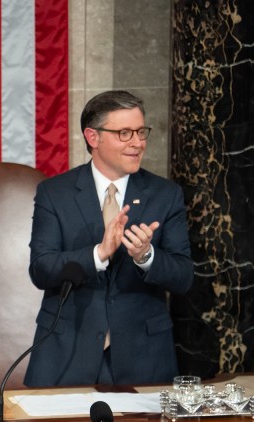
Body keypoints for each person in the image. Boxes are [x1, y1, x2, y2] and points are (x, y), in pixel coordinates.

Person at [25, 90, 193, 386]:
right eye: (124, 133)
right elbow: (41, 269)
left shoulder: (166, 194)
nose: (138, 143)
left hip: (144, 356)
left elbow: (183, 277)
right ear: (93, 137)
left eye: (141, 132)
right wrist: (98, 254)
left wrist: (146, 256)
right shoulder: (55, 193)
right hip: (67, 355)